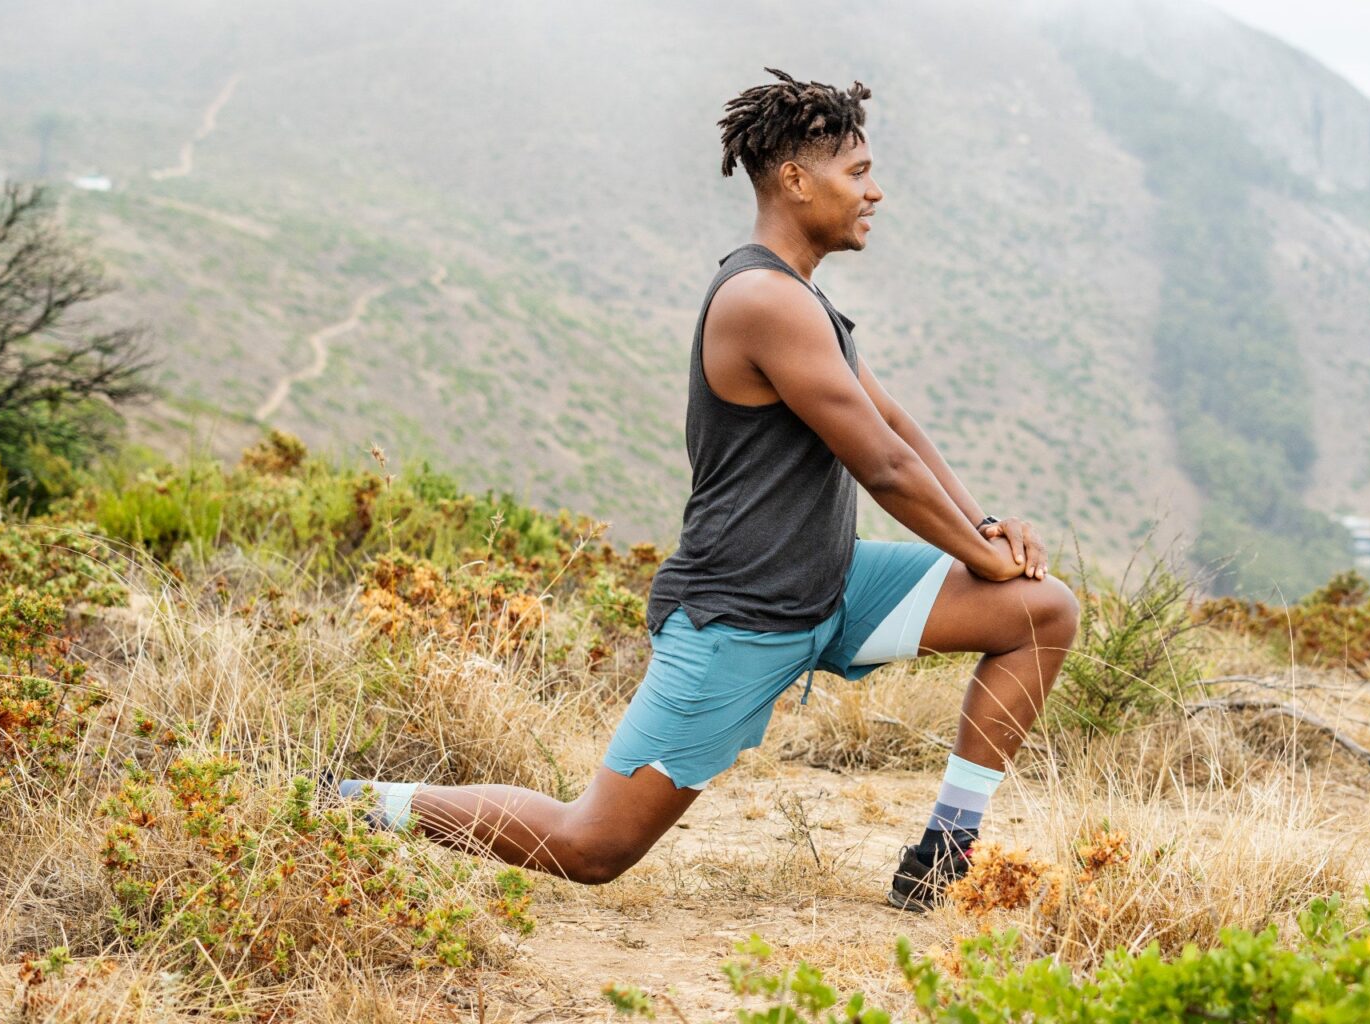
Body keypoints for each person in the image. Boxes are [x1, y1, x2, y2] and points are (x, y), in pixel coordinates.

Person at [339, 68, 1080, 912]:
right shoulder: (762, 298)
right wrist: (980, 551)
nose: (876, 191)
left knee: (1040, 610)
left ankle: (945, 854)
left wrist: (986, 529)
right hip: (740, 614)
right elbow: (884, 469)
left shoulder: (803, 297)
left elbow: (899, 427)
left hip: (830, 587)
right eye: (858, 172)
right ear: (796, 180)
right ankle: (354, 806)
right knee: (594, 846)